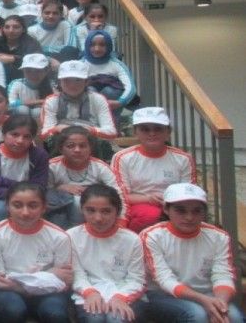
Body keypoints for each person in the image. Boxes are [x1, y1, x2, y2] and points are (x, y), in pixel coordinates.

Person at [142, 183, 243, 323]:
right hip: (163, 295)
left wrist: (221, 304)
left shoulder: (219, 237)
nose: (189, 217)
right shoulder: (152, 236)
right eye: (181, 211)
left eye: (197, 211)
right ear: (166, 209)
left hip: (208, 294)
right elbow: (164, 280)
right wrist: (203, 300)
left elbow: (223, 274)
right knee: (197, 315)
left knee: (234, 317)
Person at [0, 182, 73, 323]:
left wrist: (18, 284)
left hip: (48, 294)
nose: (25, 212)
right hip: (10, 293)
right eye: (17, 205)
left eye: (33, 206)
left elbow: (63, 282)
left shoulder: (59, 236)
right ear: (7, 206)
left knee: (55, 314)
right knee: (13, 311)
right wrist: (49, 274)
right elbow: (1, 282)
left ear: (44, 207)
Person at [68, 184, 145, 323]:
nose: (98, 218)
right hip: (86, 292)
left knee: (116, 318)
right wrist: (90, 292)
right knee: (95, 319)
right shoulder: (71, 236)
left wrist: (120, 297)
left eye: (106, 211)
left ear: (117, 212)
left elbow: (136, 279)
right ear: (81, 210)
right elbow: (76, 274)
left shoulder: (132, 240)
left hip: (124, 292)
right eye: (90, 210)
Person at [112, 107, 196, 233]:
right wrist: (149, 198)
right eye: (145, 129)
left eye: (158, 129)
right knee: (150, 216)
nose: (152, 133)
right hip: (138, 207)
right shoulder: (122, 158)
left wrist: (170, 201)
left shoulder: (183, 159)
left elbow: (190, 193)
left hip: (177, 205)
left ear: (168, 132)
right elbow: (120, 196)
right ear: (135, 132)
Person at [0, 115, 49, 230]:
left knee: (41, 206)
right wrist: (25, 192)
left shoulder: (39, 155)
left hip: (30, 201)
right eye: (14, 134)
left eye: (27, 137)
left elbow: (40, 189)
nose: (20, 141)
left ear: (32, 139)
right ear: (4, 134)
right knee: (0, 207)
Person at [46, 127, 123, 230]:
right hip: (60, 211)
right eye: (70, 146)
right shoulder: (52, 166)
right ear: (61, 149)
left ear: (90, 148)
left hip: (95, 213)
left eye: (82, 146)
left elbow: (118, 193)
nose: (77, 150)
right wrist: (59, 188)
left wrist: (121, 222)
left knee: (79, 201)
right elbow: (42, 193)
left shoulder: (100, 167)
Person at [40, 60, 117, 142]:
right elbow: (45, 135)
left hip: (92, 142)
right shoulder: (51, 101)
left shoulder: (98, 99)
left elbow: (112, 132)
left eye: (78, 80)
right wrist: (57, 129)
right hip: (62, 143)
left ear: (86, 82)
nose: (72, 85)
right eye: (67, 80)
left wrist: (90, 130)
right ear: (59, 82)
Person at [82, 30, 136, 115]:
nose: (97, 49)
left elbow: (130, 88)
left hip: (113, 105)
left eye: (102, 45)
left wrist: (120, 102)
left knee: (109, 91)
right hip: (89, 108)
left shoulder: (117, 64)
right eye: (92, 45)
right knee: (90, 90)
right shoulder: (81, 64)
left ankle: (113, 121)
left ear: (109, 46)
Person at [0, 14, 43, 82]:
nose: (11, 30)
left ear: (23, 29)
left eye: (16, 27)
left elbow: (36, 61)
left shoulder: (31, 43)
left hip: (23, 79)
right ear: (2, 29)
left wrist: (13, 59)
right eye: (7, 27)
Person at [28, 0, 78, 66]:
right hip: (39, 61)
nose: (51, 16)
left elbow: (71, 47)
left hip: (62, 59)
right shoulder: (32, 30)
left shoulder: (65, 25)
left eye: (55, 13)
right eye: (47, 13)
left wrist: (43, 48)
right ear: (41, 14)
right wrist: (50, 58)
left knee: (69, 50)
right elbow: (32, 52)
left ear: (61, 15)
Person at [8, 53, 54, 118]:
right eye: (28, 71)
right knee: (22, 110)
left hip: (43, 119)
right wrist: (40, 101)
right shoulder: (16, 83)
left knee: (38, 112)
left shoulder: (52, 85)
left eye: (38, 71)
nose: (33, 75)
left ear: (46, 70)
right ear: (23, 71)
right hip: (18, 119)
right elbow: (11, 104)